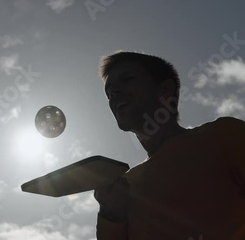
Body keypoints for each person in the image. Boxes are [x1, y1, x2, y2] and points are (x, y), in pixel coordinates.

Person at [94, 51, 245, 239]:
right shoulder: (123, 190)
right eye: (109, 92)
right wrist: (110, 214)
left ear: (165, 90)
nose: (114, 94)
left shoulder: (222, 135)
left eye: (127, 79)